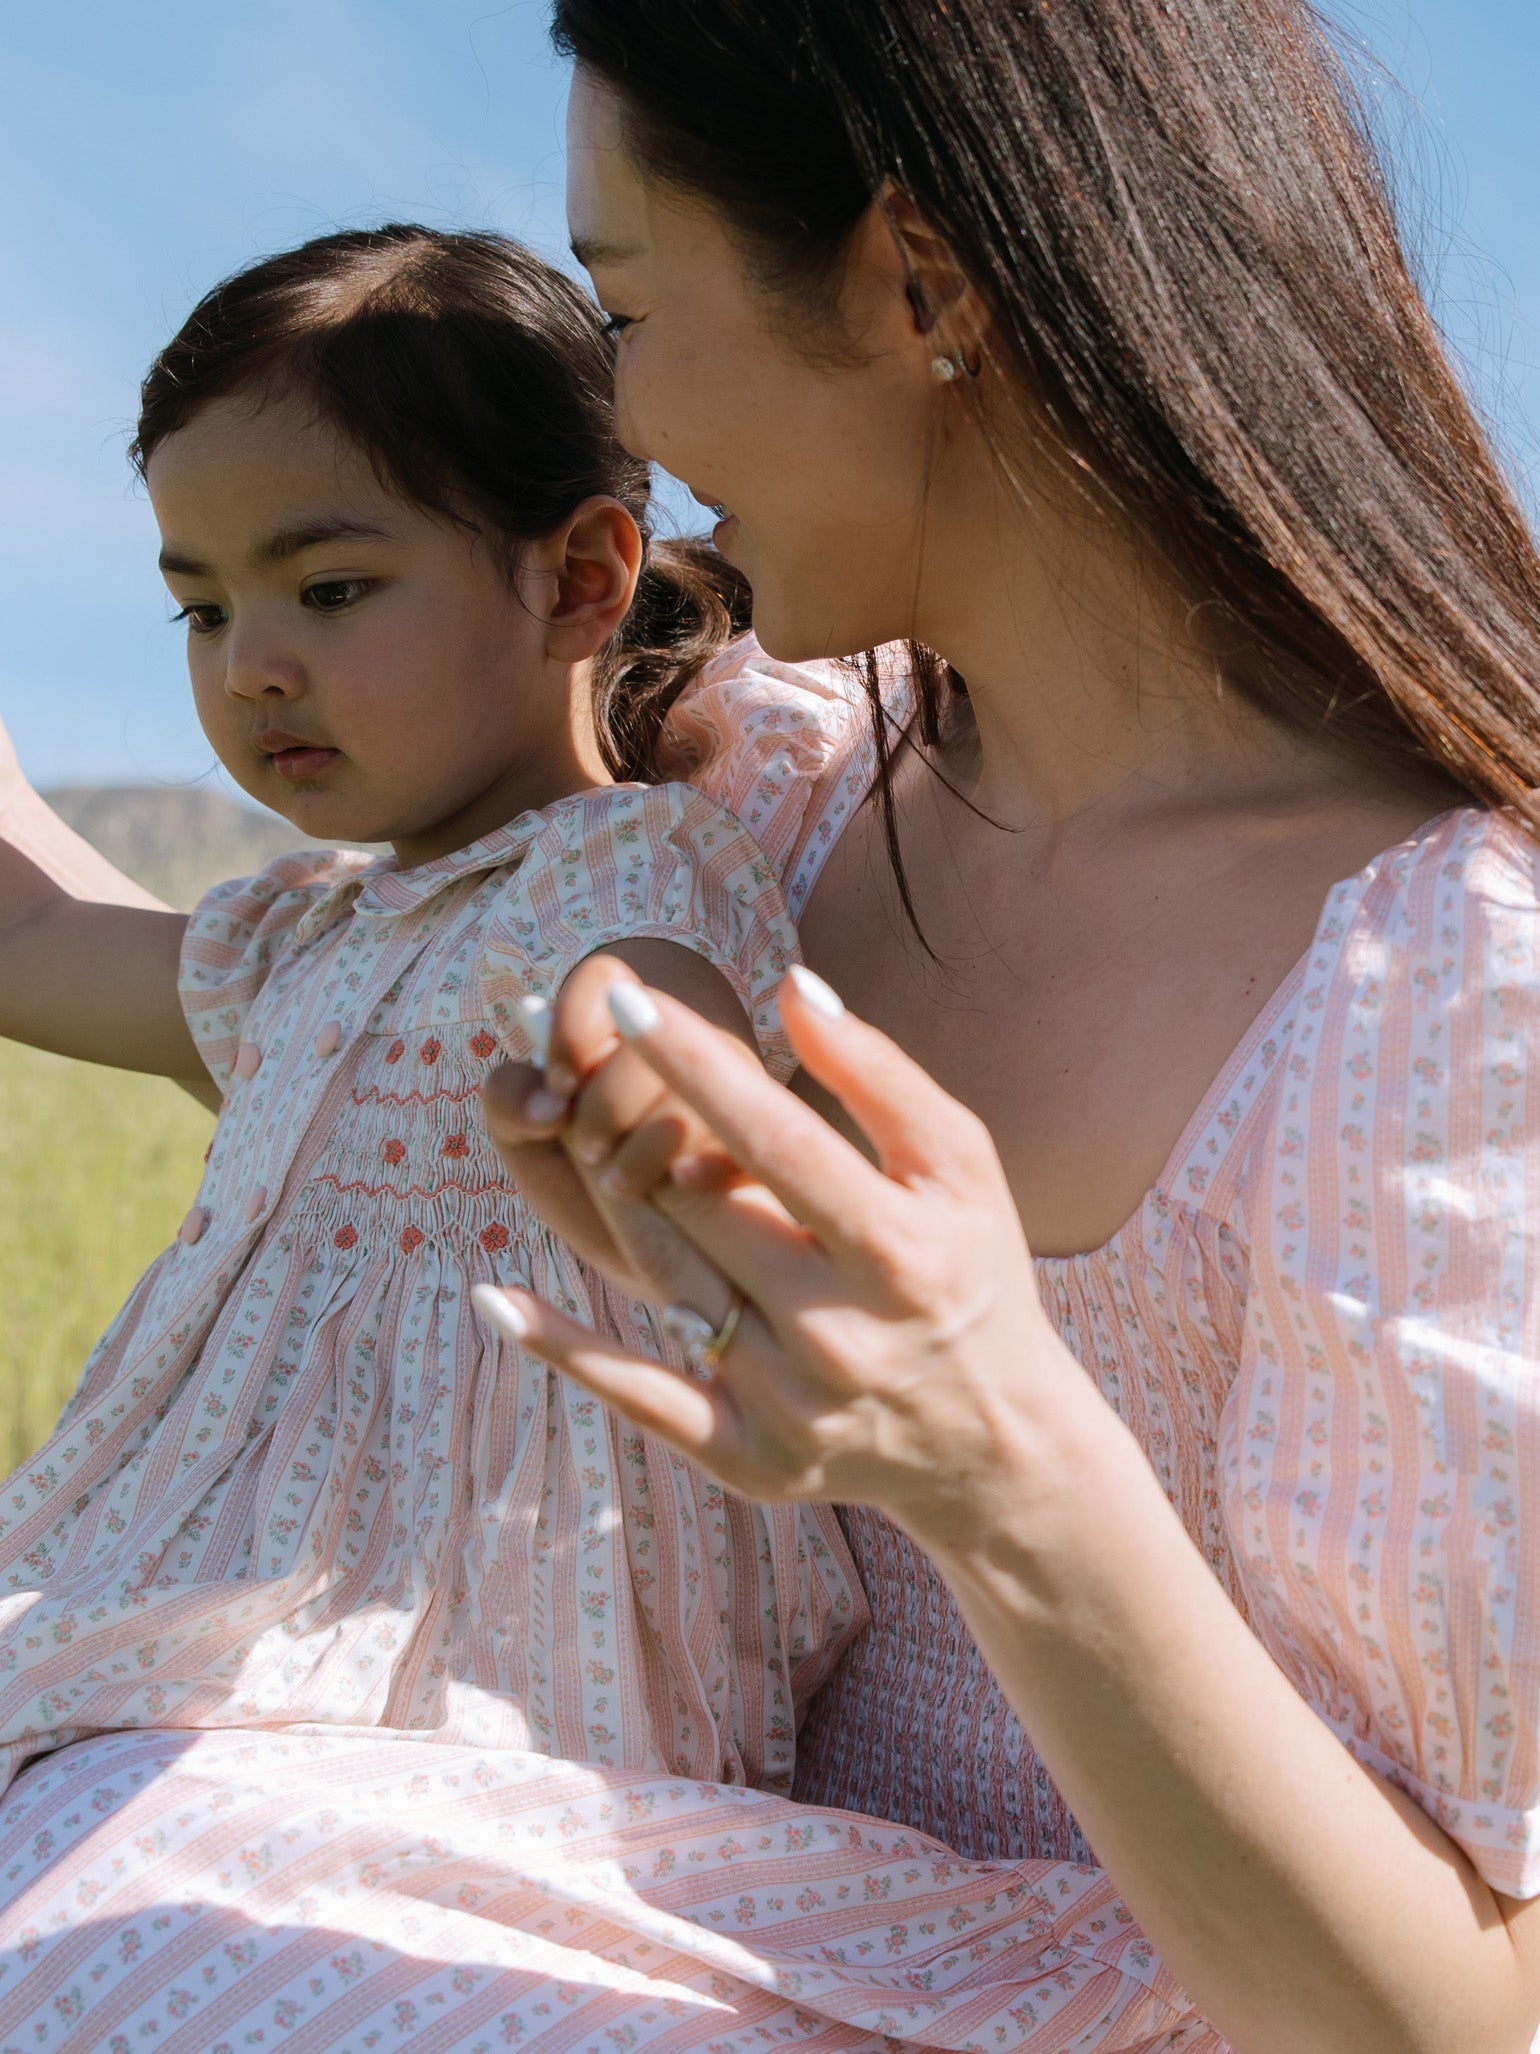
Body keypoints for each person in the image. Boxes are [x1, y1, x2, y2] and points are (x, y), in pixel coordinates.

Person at [460, 2, 1540, 2050]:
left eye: (624, 309)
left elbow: (1462, 2011)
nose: (625, 419)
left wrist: (1000, 1454)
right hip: (747, 1928)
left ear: (917, 283)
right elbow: (375, 936)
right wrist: (618, 1032)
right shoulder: (779, 796)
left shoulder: (1437, 994)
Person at [0, 222, 875, 2000]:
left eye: (327, 590)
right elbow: (28, 929)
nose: (250, 663)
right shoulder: (293, 947)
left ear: (579, 577)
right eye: (202, 602)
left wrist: (652, 1101)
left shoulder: (622, 867)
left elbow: (655, 1017)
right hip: (213, 1630)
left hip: (480, 1679)